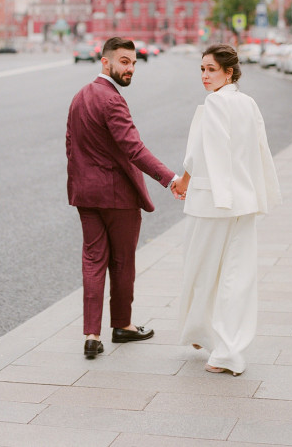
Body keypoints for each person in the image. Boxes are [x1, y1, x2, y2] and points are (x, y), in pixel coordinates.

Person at [66, 36, 179, 359]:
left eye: (133, 63)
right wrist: (170, 178)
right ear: (105, 62)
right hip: (117, 197)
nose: (130, 69)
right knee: (122, 262)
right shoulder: (111, 100)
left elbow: (70, 146)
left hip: (85, 195)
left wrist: (79, 184)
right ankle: (123, 326)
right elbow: (134, 149)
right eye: (124, 62)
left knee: (93, 261)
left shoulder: (80, 97)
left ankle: (91, 334)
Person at [172, 43, 281, 376]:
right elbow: (259, 150)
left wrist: (184, 181)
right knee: (238, 276)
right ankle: (226, 348)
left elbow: (202, 152)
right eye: (202, 69)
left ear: (228, 72)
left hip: (212, 202)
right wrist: (259, 193)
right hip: (243, 202)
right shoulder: (247, 103)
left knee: (202, 272)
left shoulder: (214, 103)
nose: (205, 76)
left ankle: (208, 338)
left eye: (211, 69)